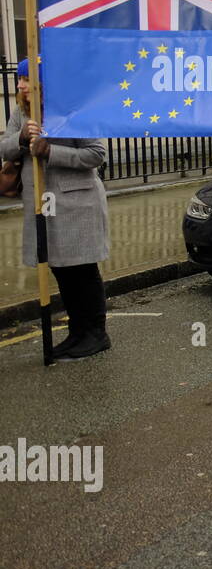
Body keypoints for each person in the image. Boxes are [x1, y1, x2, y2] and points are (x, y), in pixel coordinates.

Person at [0, 58, 112, 361]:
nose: (20, 85)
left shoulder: (74, 107)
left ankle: (96, 334)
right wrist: (22, 139)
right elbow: (4, 147)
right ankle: (77, 332)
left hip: (77, 202)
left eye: (25, 80)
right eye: (20, 80)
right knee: (60, 268)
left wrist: (50, 150)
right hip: (42, 203)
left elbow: (95, 154)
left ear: (42, 83)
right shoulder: (21, 113)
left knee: (83, 269)